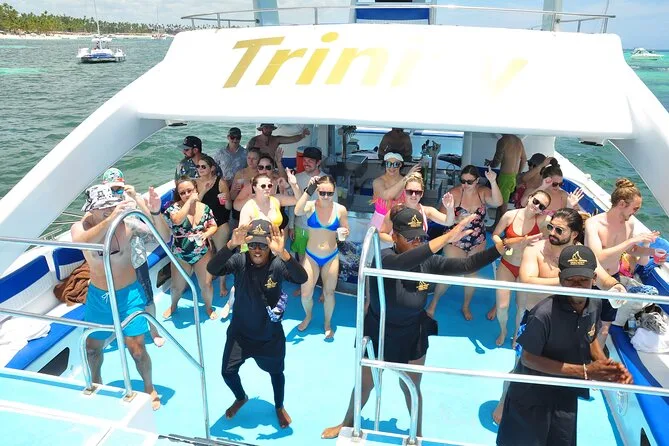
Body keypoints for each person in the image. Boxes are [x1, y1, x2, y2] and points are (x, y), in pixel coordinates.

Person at [321, 206, 528, 439]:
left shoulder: (429, 262)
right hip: (378, 328)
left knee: (410, 387)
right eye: (410, 238)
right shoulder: (384, 258)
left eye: (420, 237)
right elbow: (402, 264)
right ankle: (347, 422)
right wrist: (446, 238)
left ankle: (416, 435)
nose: (416, 243)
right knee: (365, 383)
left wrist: (501, 247)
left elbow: (466, 265)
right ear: (395, 237)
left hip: (412, 332)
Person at [492, 208, 626, 424]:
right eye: (550, 227)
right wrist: (570, 279)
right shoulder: (535, 250)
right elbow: (527, 281)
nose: (552, 233)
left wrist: (616, 287)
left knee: (558, 373)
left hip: (570, 323)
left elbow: (602, 278)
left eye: (559, 230)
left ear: (574, 234)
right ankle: (502, 403)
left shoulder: (583, 255)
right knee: (520, 369)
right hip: (536, 321)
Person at [496, 245, 632, 446]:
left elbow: (590, 336)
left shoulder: (595, 304)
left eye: (583, 279)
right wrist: (585, 372)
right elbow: (528, 358)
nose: (577, 285)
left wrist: (607, 367)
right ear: (560, 279)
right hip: (531, 396)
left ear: (594, 278)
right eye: (570, 279)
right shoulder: (543, 314)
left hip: (566, 393)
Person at [71, 184, 167, 410]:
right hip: (99, 299)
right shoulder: (79, 228)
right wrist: (111, 219)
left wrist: (155, 211)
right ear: (91, 209)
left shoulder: (128, 225)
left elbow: (163, 237)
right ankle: (96, 381)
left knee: (137, 350)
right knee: (92, 348)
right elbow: (82, 242)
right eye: (104, 206)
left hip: (129, 296)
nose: (110, 209)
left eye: (112, 205)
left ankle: (149, 387)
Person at [206, 220, 308, 429]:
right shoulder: (239, 260)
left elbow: (301, 278)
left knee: (276, 373)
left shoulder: (278, 264)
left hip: (269, 335)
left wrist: (284, 254)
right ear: (247, 244)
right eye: (253, 245)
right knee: (227, 372)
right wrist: (230, 245)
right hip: (240, 334)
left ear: (270, 244)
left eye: (262, 245)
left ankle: (279, 406)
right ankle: (240, 397)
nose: (257, 250)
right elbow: (212, 268)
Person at [585, 178, 662, 345]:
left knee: (605, 326)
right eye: (635, 208)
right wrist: (631, 241)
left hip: (614, 279)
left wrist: (652, 252)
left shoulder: (629, 224)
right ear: (621, 204)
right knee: (586, 323)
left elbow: (630, 250)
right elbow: (598, 256)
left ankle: (598, 357)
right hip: (593, 279)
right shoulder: (594, 224)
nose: (636, 212)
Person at [102, 168, 171, 347]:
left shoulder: (131, 202)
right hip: (114, 265)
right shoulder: (99, 207)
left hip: (137, 260)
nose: (115, 192)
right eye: (111, 188)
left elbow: (154, 227)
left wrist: (137, 199)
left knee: (147, 298)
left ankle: (154, 331)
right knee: (119, 301)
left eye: (119, 188)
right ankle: (125, 331)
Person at [427, 165, 503, 320]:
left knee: (472, 275)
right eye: (463, 181)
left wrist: (493, 182)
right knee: (449, 273)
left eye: (469, 181)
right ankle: (433, 304)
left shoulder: (482, 192)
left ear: (477, 181)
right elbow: (441, 217)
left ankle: (466, 306)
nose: (465, 184)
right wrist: (456, 219)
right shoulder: (454, 193)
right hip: (455, 238)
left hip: (477, 239)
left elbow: (498, 202)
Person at [490, 190, 550, 347]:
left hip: (526, 270)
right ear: (529, 198)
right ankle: (503, 331)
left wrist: (570, 204)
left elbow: (560, 223)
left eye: (541, 206)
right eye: (535, 201)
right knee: (502, 307)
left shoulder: (543, 221)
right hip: (507, 265)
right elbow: (495, 235)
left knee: (521, 308)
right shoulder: (510, 215)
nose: (537, 206)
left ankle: (517, 334)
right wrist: (505, 244)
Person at [294, 175, 349, 338]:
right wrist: (308, 191)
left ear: (334, 192)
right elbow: (297, 211)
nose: (325, 196)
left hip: (331, 256)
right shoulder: (310, 206)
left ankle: (327, 323)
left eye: (329, 193)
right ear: (317, 191)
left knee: (329, 293)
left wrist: (344, 232)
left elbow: (346, 229)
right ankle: (308, 316)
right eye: (322, 193)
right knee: (306, 293)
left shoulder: (340, 210)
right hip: (311, 256)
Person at [163, 177, 219, 320]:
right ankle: (173, 305)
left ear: (196, 190)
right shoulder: (173, 209)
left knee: (206, 285)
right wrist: (189, 202)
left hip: (202, 253)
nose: (186, 194)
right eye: (182, 193)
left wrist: (206, 234)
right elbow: (177, 220)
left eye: (189, 191)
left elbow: (213, 226)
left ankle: (208, 307)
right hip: (180, 254)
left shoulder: (205, 208)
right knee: (176, 287)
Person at [378, 172, 455, 243]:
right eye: (410, 192)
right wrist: (398, 242)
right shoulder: (396, 211)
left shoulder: (427, 211)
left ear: (422, 194)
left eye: (417, 192)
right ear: (404, 192)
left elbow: (448, 222)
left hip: (419, 250)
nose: (413, 195)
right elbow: (381, 234)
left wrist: (450, 209)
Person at [196, 154, 233, 299]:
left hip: (220, 222)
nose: (200, 169)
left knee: (221, 253)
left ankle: (222, 283)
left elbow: (228, 207)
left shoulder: (220, 182)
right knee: (209, 254)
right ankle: (212, 275)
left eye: (203, 166)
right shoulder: (195, 183)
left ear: (211, 168)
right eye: (198, 166)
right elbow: (194, 205)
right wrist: (204, 191)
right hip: (203, 224)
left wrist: (226, 200)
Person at [288, 146, 332, 263]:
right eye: (305, 160)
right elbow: (292, 205)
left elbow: (334, 205)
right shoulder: (296, 178)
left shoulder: (327, 180)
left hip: (319, 229)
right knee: (302, 260)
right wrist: (291, 226)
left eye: (310, 161)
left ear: (318, 162)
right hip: (300, 227)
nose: (306, 163)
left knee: (317, 261)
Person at [371, 152, 421, 232]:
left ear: (400, 165)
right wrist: (406, 177)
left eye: (396, 164)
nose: (392, 167)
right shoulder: (377, 182)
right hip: (379, 223)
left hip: (401, 223)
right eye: (389, 164)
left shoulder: (408, 182)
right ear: (385, 164)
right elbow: (386, 196)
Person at [485, 134, 527, 228]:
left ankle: (504, 228)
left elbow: (496, 162)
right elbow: (524, 159)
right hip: (513, 177)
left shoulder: (502, 141)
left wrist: (490, 163)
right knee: (501, 203)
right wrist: (518, 173)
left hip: (505, 177)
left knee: (502, 205)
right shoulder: (518, 140)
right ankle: (496, 226)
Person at [246, 123, 310, 160]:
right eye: (266, 127)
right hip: (258, 168)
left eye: (270, 128)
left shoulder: (276, 139)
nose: (268, 129)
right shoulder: (254, 140)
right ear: (262, 129)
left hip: (271, 167)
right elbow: (246, 154)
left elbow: (291, 139)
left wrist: (302, 135)